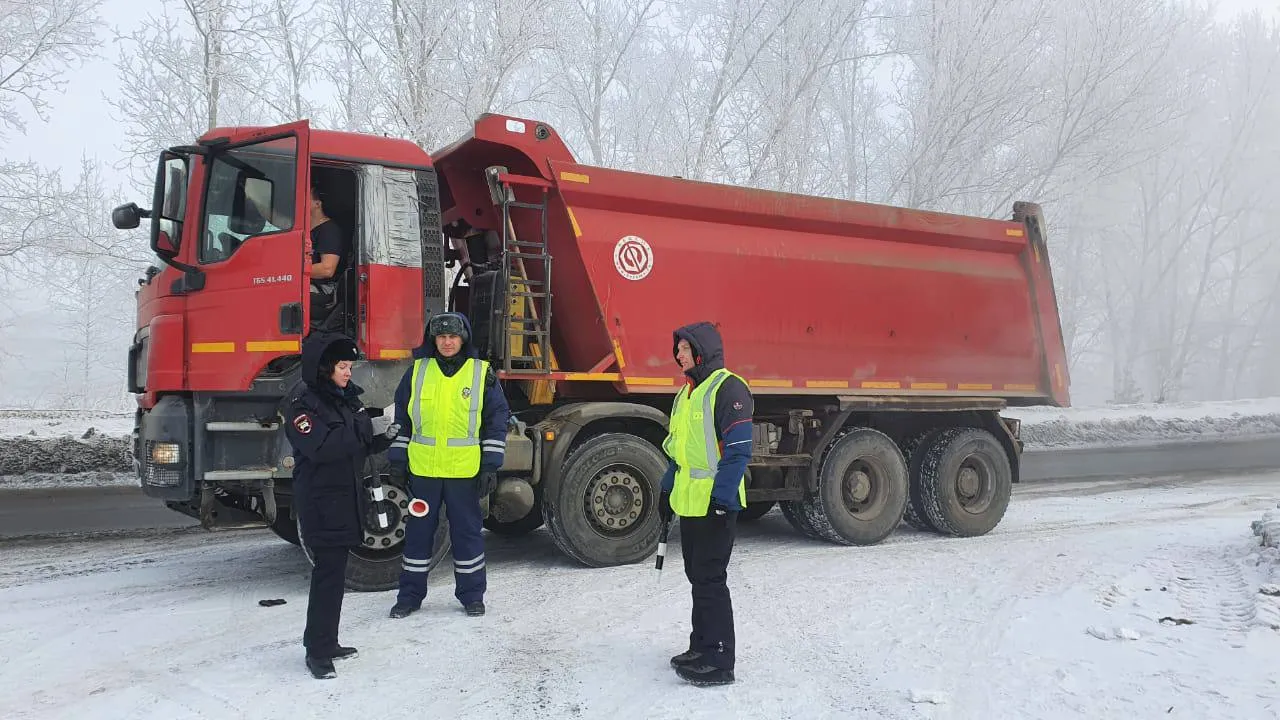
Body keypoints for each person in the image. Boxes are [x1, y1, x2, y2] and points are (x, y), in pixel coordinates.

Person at [386, 311, 510, 619]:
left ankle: (472, 596)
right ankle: (409, 597)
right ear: (434, 340)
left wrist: (490, 466)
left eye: (453, 336)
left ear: (463, 338)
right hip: (423, 474)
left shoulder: (482, 373)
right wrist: (398, 462)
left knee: (467, 535)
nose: (447, 342)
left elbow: (497, 421)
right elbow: (402, 419)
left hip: (463, 474)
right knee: (417, 536)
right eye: (441, 337)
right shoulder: (416, 372)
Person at [283, 330, 390, 680]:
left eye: (350, 366)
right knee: (327, 577)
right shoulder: (303, 404)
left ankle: (328, 642)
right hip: (321, 500)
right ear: (324, 367)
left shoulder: (346, 398)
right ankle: (316, 652)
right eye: (342, 366)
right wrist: (365, 431)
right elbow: (323, 448)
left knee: (334, 576)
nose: (348, 372)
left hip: (345, 497)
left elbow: (356, 443)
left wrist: (381, 436)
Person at [659, 321, 754, 687]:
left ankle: (720, 661)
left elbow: (737, 451)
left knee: (712, 579)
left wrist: (722, 498)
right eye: (678, 348)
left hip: (716, 504)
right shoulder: (685, 394)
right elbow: (676, 453)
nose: (678, 355)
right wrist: (666, 491)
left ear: (702, 350)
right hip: (690, 502)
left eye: (684, 348)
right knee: (697, 576)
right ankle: (700, 647)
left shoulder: (728, 388)